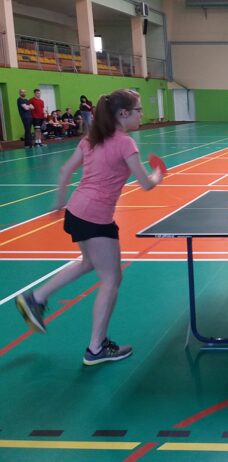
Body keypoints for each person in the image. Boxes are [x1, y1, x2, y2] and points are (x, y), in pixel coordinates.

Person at [15, 89, 163, 365]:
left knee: (88, 263)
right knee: (111, 279)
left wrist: (60, 200)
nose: (142, 114)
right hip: (96, 217)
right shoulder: (125, 143)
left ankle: (37, 297)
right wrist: (158, 174)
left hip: (76, 211)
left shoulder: (90, 139)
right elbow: (145, 184)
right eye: (139, 110)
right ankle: (96, 348)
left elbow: (65, 171)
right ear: (123, 114)